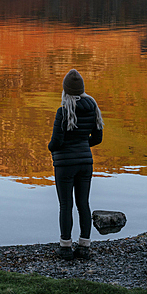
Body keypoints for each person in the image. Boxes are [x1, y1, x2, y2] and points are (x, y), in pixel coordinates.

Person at [48, 68, 104, 260]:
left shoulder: (63, 112)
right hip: (85, 163)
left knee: (66, 205)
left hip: (65, 165)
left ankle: (65, 247)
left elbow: (56, 142)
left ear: (65, 90)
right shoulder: (93, 107)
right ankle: (84, 246)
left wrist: (51, 148)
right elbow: (97, 138)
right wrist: (81, 145)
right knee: (83, 204)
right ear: (82, 89)